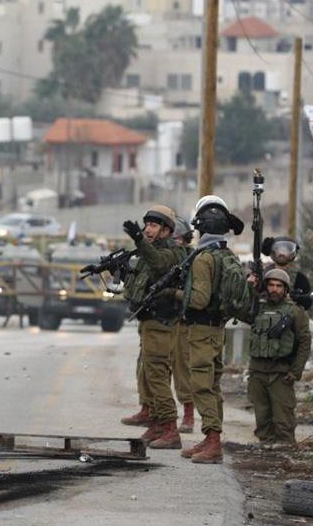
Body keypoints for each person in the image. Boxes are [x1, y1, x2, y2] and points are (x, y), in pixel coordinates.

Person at [177, 194, 245, 464]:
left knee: (202, 385)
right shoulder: (227, 254)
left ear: (200, 225)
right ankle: (209, 437)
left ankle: (213, 441)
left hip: (202, 329)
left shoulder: (203, 258)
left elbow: (200, 299)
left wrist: (178, 295)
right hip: (218, 329)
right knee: (213, 384)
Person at [118, 205, 188, 450]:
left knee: (157, 375)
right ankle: (158, 423)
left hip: (162, 322)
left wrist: (139, 239)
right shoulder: (150, 252)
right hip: (149, 321)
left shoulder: (173, 252)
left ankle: (170, 428)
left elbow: (160, 264)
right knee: (148, 374)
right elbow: (139, 283)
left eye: (154, 226)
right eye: (146, 225)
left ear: (167, 231)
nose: (148, 229)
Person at [246, 269, 310, 447]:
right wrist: (249, 287)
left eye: (279, 286)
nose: (274, 289)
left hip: (281, 372)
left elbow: (304, 343)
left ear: (285, 289)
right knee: (262, 413)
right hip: (258, 370)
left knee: (283, 416)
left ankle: (285, 447)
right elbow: (238, 309)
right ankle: (266, 446)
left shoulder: (295, 312)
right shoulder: (256, 308)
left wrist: (296, 371)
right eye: (271, 285)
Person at [172, 216, 195, 434]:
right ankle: (152, 412)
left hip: (182, 320)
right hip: (160, 318)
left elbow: (194, 292)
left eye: (179, 237)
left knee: (183, 368)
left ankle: (188, 415)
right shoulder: (163, 257)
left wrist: (173, 293)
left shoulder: (192, 258)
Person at [261, 236, 313, 310]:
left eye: (286, 250)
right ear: (272, 252)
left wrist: (294, 298)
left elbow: (307, 303)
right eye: (279, 250)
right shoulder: (263, 275)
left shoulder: (299, 278)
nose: (282, 254)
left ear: (293, 253)